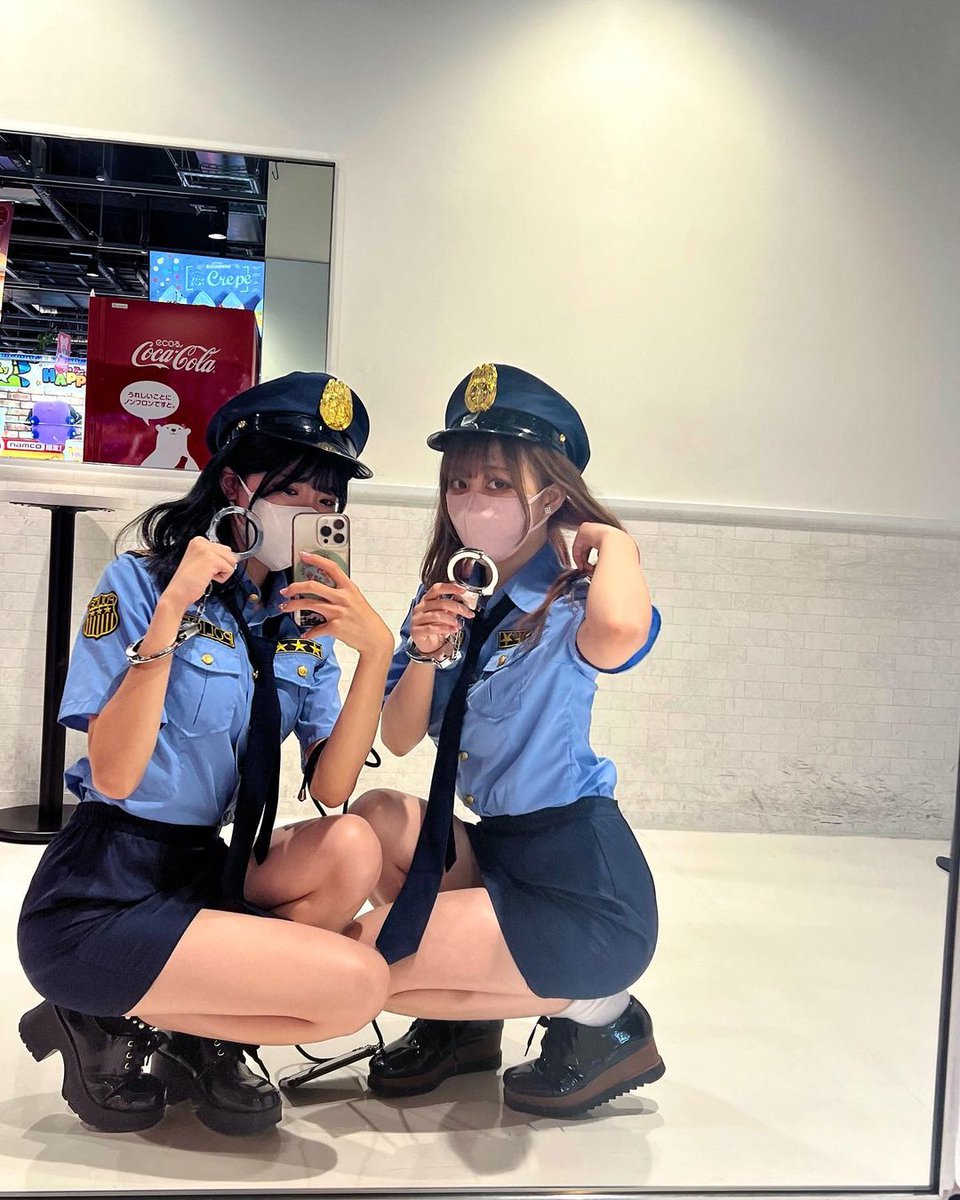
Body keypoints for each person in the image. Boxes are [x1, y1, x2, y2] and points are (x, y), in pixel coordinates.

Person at [17, 372, 394, 1137]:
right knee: (354, 987)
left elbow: (332, 789)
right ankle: (98, 1015)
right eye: (291, 489)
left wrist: (376, 653)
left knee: (353, 845)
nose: (310, 512)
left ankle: (199, 1032)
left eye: (326, 501)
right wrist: (172, 611)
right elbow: (114, 774)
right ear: (233, 485)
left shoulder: (300, 620)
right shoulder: (139, 581)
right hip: (106, 880)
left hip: (204, 866)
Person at [351, 363, 664, 1118]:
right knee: (380, 815)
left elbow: (622, 633)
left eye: (497, 484)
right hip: (498, 848)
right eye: (459, 483)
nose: (472, 501)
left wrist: (613, 543)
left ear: (549, 497)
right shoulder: (452, 591)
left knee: (364, 962)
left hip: (577, 874)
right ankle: (467, 1032)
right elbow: (398, 735)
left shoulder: (575, 597)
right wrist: (424, 651)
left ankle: (608, 1021)